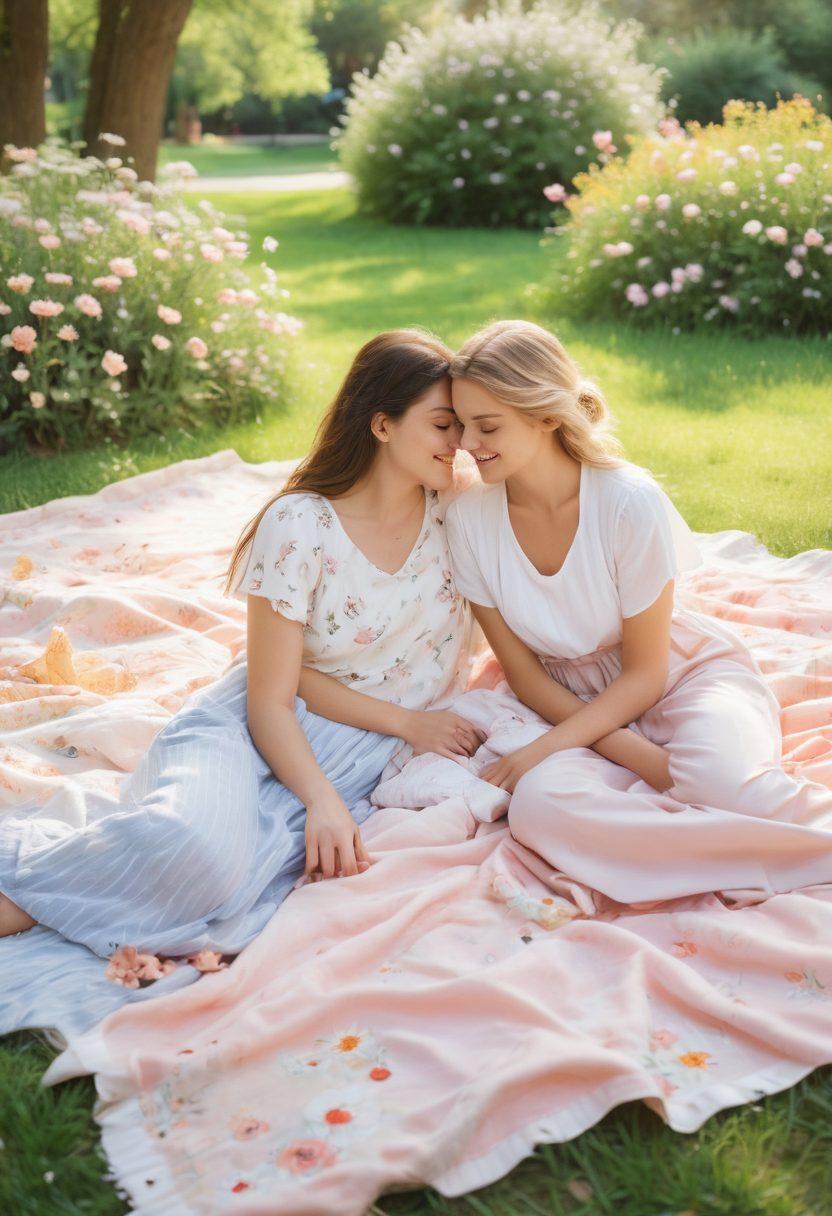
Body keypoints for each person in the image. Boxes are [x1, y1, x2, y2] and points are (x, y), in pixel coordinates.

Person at [0, 329, 480, 955]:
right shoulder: (300, 524)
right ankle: (22, 879)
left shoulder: (459, 510)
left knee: (232, 883)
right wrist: (326, 796)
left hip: (362, 755)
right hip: (253, 728)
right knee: (196, 852)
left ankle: (42, 892)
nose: (460, 441)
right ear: (382, 425)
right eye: (443, 424)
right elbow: (269, 697)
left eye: (463, 425)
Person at [445, 319, 832, 906]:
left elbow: (647, 674)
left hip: (681, 677)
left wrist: (610, 757)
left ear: (546, 415)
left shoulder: (627, 501)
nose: (467, 443)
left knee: (722, 783)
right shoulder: (469, 519)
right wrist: (629, 754)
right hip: (561, 701)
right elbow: (523, 675)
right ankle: (775, 852)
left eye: (487, 425)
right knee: (539, 808)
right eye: (461, 423)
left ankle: (730, 841)